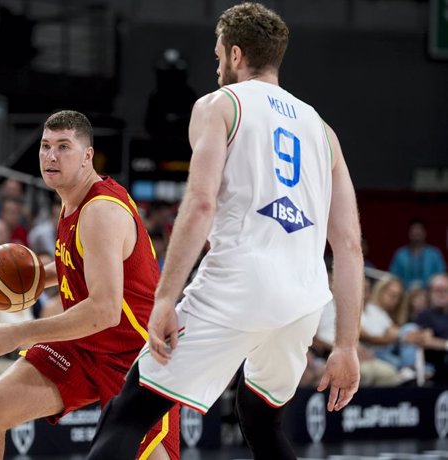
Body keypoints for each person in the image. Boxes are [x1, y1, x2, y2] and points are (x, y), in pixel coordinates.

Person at [87, 4, 364, 460]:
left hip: (240, 283)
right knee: (260, 418)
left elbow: (198, 205)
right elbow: (350, 246)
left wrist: (163, 299)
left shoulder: (221, 104)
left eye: (218, 56)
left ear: (236, 54)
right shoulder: (322, 131)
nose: (217, 67)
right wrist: (347, 345)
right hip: (304, 300)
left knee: (128, 412)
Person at [0, 110, 180, 460]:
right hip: (84, 346)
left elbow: (105, 310)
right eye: (46, 146)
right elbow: (77, 260)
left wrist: (21, 333)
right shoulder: (71, 199)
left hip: (134, 354)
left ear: (87, 155)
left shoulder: (100, 211)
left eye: (64, 147)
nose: (51, 156)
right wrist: (38, 277)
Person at [389, 219, 446, 289]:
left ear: (425, 233)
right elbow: (393, 277)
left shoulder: (434, 254)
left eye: (419, 231)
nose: (416, 233)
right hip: (404, 296)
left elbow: (441, 276)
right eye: (414, 231)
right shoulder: (400, 254)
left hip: (429, 295)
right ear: (409, 233)